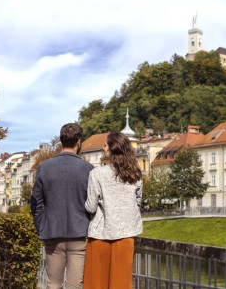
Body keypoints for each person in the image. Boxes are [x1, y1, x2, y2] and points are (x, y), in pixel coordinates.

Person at [31, 123, 94, 288]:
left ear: (61, 140)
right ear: (79, 142)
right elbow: (93, 203)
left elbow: (36, 203)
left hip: (52, 233)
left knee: (53, 284)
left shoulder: (44, 167)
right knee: (74, 285)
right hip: (80, 233)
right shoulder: (89, 169)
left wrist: (42, 227)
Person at [83, 132, 143, 289]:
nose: (103, 148)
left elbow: (91, 206)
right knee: (121, 283)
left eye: (105, 145)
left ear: (112, 149)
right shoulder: (136, 173)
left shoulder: (97, 174)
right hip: (126, 235)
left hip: (100, 235)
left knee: (96, 283)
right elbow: (138, 202)